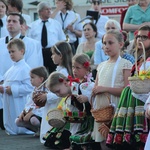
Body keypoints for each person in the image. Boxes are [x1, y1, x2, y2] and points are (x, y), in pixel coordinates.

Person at [106, 25, 150, 150]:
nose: (140, 40)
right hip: (133, 96)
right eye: (138, 36)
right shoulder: (140, 57)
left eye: (144, 37)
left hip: (144, 98)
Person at [92, 29, 132, 150]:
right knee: (102, 140)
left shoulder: (125, 64)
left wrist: (105, 89)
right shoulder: (101, 65)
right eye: (104, 43)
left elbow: (127, 90)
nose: (106, 46)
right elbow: (96, 87)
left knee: (115, 141)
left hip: (116, 106)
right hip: (101, 109)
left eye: (110, 43)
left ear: (120, 44)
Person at [46, 54, 95, 149]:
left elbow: (94, 98)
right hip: (75, 118)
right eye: (73, 67)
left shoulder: (88, 84)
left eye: (78, 68)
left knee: (80, 135)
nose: (74, 70)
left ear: (86, 69)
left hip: (86, 118)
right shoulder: (75, 83)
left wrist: (86, 99)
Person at [40, 41, 74, 143]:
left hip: (57, 103)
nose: (51, 56)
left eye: (54, 54)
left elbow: (62, 92)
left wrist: (47, 96)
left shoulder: (63, 72)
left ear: (61, 55)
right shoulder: (58, 70)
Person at [0, 39, 33, 135]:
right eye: (9, 52)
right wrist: (3, 89)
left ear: (22, 51)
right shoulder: (10, 70)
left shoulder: (25, 68)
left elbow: (29, 87)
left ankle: (22, 128)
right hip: (9, 101)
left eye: (13, 51)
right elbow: (7, 85)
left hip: (19, 101)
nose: (11, 54)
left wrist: (13, 90)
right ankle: (11, 128)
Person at [28, 1, 66, 74]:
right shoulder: (33, 26)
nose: (49, 11)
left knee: (54, 72)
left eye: (50, 9)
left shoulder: (56, 24)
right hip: (39, 52)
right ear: (40, 11)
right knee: (41, 73)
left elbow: (62, 39)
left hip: (53, 52)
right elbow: (30, 41)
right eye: (46, 9)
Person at [15, 66, 48, 137]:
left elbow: (44, 106)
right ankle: (37, 130)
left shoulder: (46, 91)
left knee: (34, 120)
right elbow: (28, 104)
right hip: (33, 112)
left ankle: (42, 129)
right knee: (18, 121)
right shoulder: (33, 91)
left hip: (42, 113)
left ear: (41, 79)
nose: (30, 80)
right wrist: (24, 112)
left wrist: (32, 113)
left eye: (32, 77)